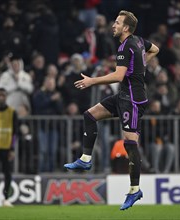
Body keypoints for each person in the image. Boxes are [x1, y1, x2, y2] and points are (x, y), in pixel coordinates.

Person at [63, 10, 159, 210]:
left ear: (125, 28)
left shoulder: (126, 47)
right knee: (89, 114)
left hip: (132, 100)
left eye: (117, 22)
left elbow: (117, 76)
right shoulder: (139, 41)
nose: (113, 25)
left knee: (130, 144)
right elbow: (155, 49)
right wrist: (139, 66)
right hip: (124, 95)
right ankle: (85, 159)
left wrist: (92, 81)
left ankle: (135, 190)